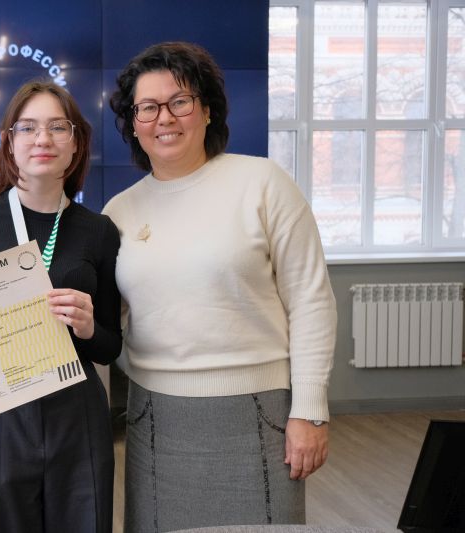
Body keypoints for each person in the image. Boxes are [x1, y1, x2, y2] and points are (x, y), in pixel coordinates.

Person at [102, 42, 337, 531]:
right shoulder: (119, 212)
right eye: (148, 108)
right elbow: (110, 322)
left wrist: (310, 410)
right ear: (134, 124)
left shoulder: (263, 182)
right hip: (154, 419)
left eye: (180, 101)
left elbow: (311, 300)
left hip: (259, 414)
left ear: (207, 110)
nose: (165, 118)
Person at [0, 80, 121, 533]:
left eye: (58, 127)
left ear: (76, 143)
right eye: (28, 127)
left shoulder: (99, 231)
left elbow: (111, 346)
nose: (42, 138)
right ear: (9, 143)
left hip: (77, 415)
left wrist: (89, 328)